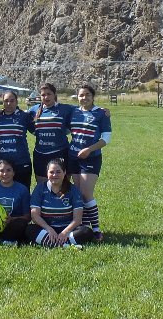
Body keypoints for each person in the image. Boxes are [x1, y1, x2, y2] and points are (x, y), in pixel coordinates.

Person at [68, 84, 112, 242]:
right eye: (81, 95)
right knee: (79, 195)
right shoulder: (73, 112)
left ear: (93, 97)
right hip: (73, 157)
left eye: (87, 95)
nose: (84, 98)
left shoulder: (101, 113)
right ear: (77, 97)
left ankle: (96, 229)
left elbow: (106, 139)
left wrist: (89, 149)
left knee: (87, 194)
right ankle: (83, 228)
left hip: (91, 158)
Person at [25, 158, 94, 249]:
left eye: (58, 172)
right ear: (47, 173)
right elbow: (35, 216)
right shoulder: (40, 189)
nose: (54, 175)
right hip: (46, 229)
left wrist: (65, 232)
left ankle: (52, 242)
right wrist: (49, 229)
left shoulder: (73, 189)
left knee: (86, 231)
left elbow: (77, 219)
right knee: (29, 229)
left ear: (64, 172)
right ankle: (66, 245)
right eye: (51, 172)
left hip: (67, 229)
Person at [27, 83, 74, 184]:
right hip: (40, 155)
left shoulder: (65, 108)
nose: (46, 97)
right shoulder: (34, 109)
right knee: (42, 187)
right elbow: (23, 118)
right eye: (43, 95)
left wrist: (101, 110)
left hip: (60, 152)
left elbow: (84, 110)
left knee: (62, 188)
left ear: (54, 94)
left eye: (49, 94)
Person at [0, 91, 33, 189]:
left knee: (23, 193)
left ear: (16, 102)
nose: (9, 103)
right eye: (6, 101)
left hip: (21, 162)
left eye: (12, 101)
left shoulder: (24, 116)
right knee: (5, 195)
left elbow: (37, 131)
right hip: (3, 165)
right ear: (2, 102)